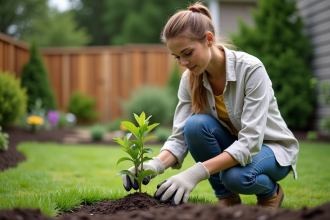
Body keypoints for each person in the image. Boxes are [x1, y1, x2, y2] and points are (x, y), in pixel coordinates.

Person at [122, 2, 299, 210]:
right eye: (177, 56)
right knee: (195, 126)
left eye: (187, 53)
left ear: (209, 39)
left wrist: (195, 173)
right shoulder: (189, 80)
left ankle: (271, 193)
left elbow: (250, 142)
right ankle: (227, 198)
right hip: (235, 145)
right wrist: (154, 165)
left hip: (271, 149)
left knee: (235, 177)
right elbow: (180, 137)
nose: (183, 62)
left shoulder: (251, 69)